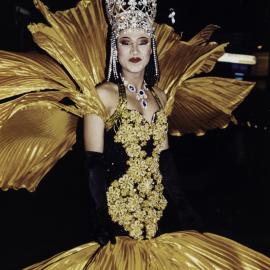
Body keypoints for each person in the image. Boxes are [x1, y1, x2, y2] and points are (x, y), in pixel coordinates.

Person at [0, 0, 270, 269]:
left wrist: (183, 207)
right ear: (115, 48)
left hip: (158, 217)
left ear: (151, 47)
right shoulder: (103, 95)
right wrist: (100, 216)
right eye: (125, 42)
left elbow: (164, 159)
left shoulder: (160, 97)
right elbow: (94, 162)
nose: (134, 50)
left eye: (141, 41)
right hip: (118, 220)